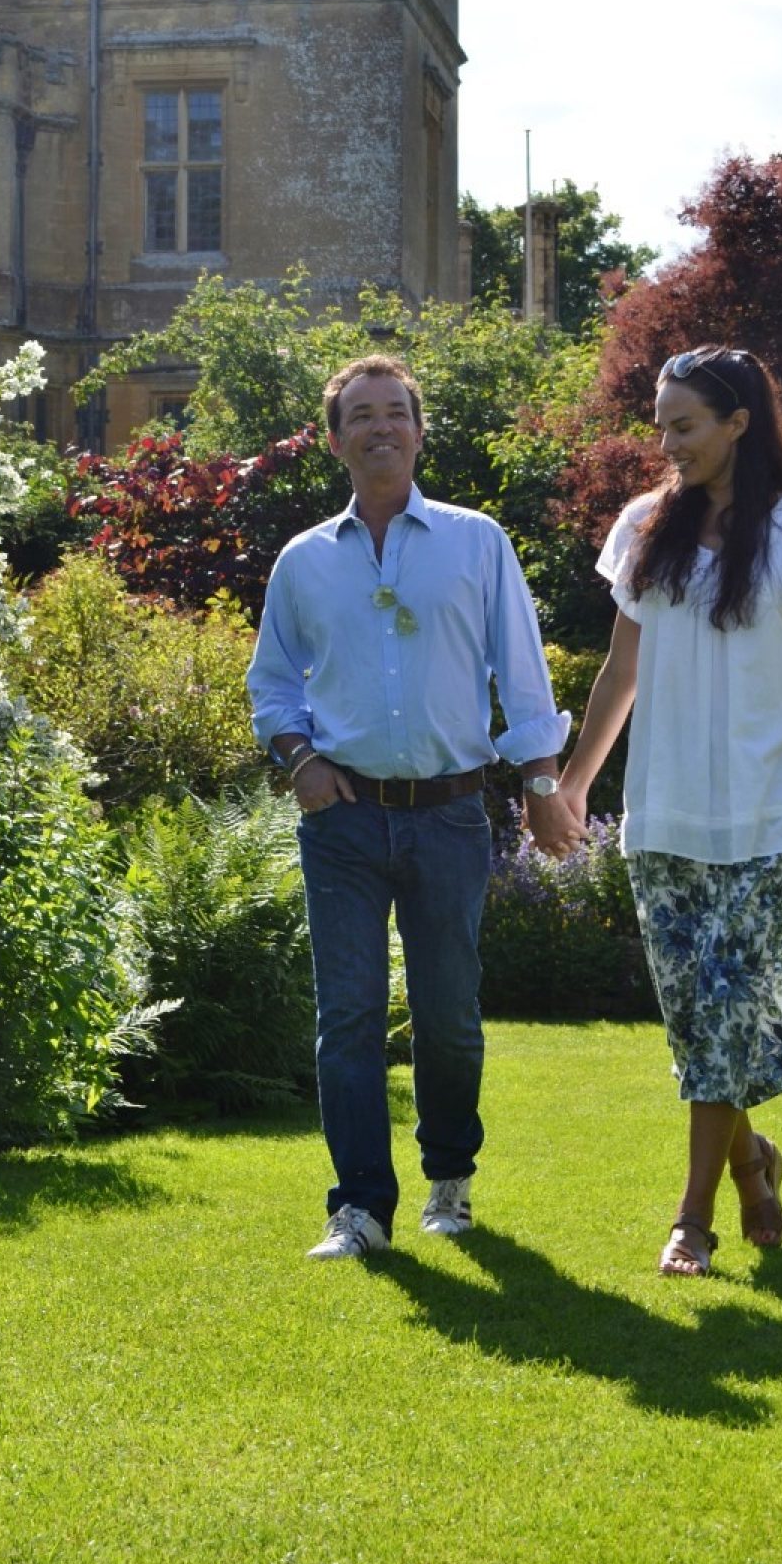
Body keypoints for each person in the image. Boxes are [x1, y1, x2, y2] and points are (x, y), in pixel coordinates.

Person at [248, 354, 580, 1260]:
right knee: (347, 1016)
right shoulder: (304, 562)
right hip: (343, 819)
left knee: (448, 1014)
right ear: (334, 440)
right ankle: (358, 1208)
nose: (381, 427)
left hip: (449, 814)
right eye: (361, 415)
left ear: (420, 432)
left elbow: (522, 672)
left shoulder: (478, 542)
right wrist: (299, 760)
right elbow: (272, 685)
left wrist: (545, 787)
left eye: (396, 412)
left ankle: (450, 1180)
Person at [558, 345, 782, 1277]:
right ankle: (751, 1160)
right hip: (664, 812)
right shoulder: (644, 525)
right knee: (699, 1023)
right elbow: (623, 670)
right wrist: (573, 785)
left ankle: (691, 1219)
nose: (668, 442)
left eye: (685, 425)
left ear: (740, 423)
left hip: (771, 807)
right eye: (661, 425)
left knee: (729, 1012)